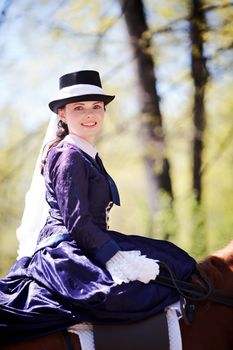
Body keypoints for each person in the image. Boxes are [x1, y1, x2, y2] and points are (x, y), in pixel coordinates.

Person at [0, 70, 196, 343]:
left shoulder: (83, 153)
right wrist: (116, 259)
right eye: (78, 108)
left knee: (174, 261)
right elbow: (78, 222)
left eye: (96, 106)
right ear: (62, 114)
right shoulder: (69, 156)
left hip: (87, 241)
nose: (89, 114)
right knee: (133, 289)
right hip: (71, 248)